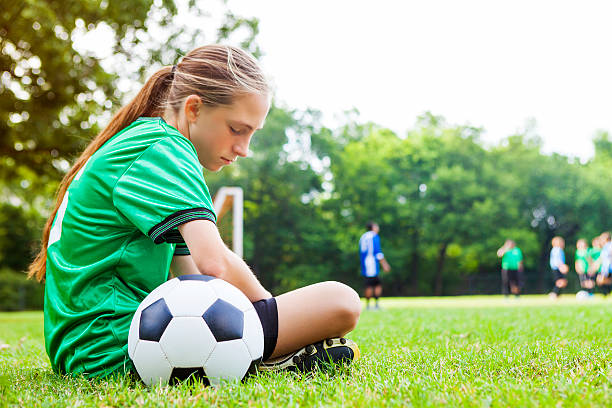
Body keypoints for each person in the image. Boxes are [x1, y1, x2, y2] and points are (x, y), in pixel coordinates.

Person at [27, 45, 361, 380]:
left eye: (252, 134)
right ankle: (269, 357)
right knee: (341, 302)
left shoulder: (143, 143)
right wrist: (272, 317)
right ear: (194, 108)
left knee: (325, 306)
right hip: (114, 348)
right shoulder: (164, 148)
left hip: (85, 351)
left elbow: (190, 272)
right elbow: (213, 264)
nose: (244, 149)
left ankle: (254, 355)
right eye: (237, 129)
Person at [359, 222, 390, 310]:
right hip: (371, 263)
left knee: (369, 283)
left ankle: (369, 305)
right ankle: (374, 305)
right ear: (373, 227)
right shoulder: (373, 236)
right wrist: (384, 264)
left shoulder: (363, 236)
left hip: (365, 263)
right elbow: (377, 252)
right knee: (374, 284)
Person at [596, 232, 612, 296]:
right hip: (606, 268)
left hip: (609, 268)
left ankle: (606, 294)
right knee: (600, 280)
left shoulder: (609, 246)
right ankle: (606, 294)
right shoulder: (605, 247)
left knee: (601, 280)